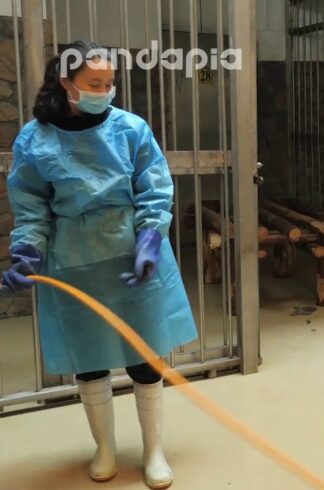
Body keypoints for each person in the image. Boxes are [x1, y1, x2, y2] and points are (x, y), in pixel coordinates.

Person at [2, 40, 198, 489]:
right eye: (95, 84)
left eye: (110, 83)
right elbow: (31, 206)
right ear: (65, 83)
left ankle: (153, 451)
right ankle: (105, 448)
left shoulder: (130, 129)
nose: (105, 91)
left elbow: (155, 187)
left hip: (133, 256)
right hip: (74, 262)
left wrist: (150, 237)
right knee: (88, 359)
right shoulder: (35, 139)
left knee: (144, 357)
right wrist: (28, 252)